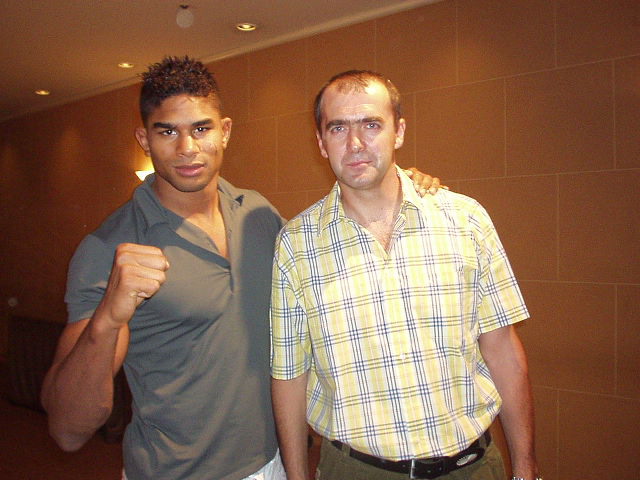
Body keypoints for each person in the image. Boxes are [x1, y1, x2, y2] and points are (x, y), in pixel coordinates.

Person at [40, 57, 441, 480]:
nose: (187, 148)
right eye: (167, 132)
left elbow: (325, 258)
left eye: (201, 129)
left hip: (271, 465)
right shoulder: (110, 248)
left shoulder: (257, 214)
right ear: (144, 139)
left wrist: (394, 188)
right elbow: (68, 430)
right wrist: (107, 318)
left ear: (225, 131)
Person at [270, 70, 540, 480]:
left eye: (371, 124)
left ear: (398, 132)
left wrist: (525, 465)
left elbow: (502, 350)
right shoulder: (296, 245)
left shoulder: (465, 219)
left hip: (471, 468)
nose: (355, 143)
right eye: (338, 127)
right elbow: (290, 376)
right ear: (321, 143)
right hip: (356, 471)